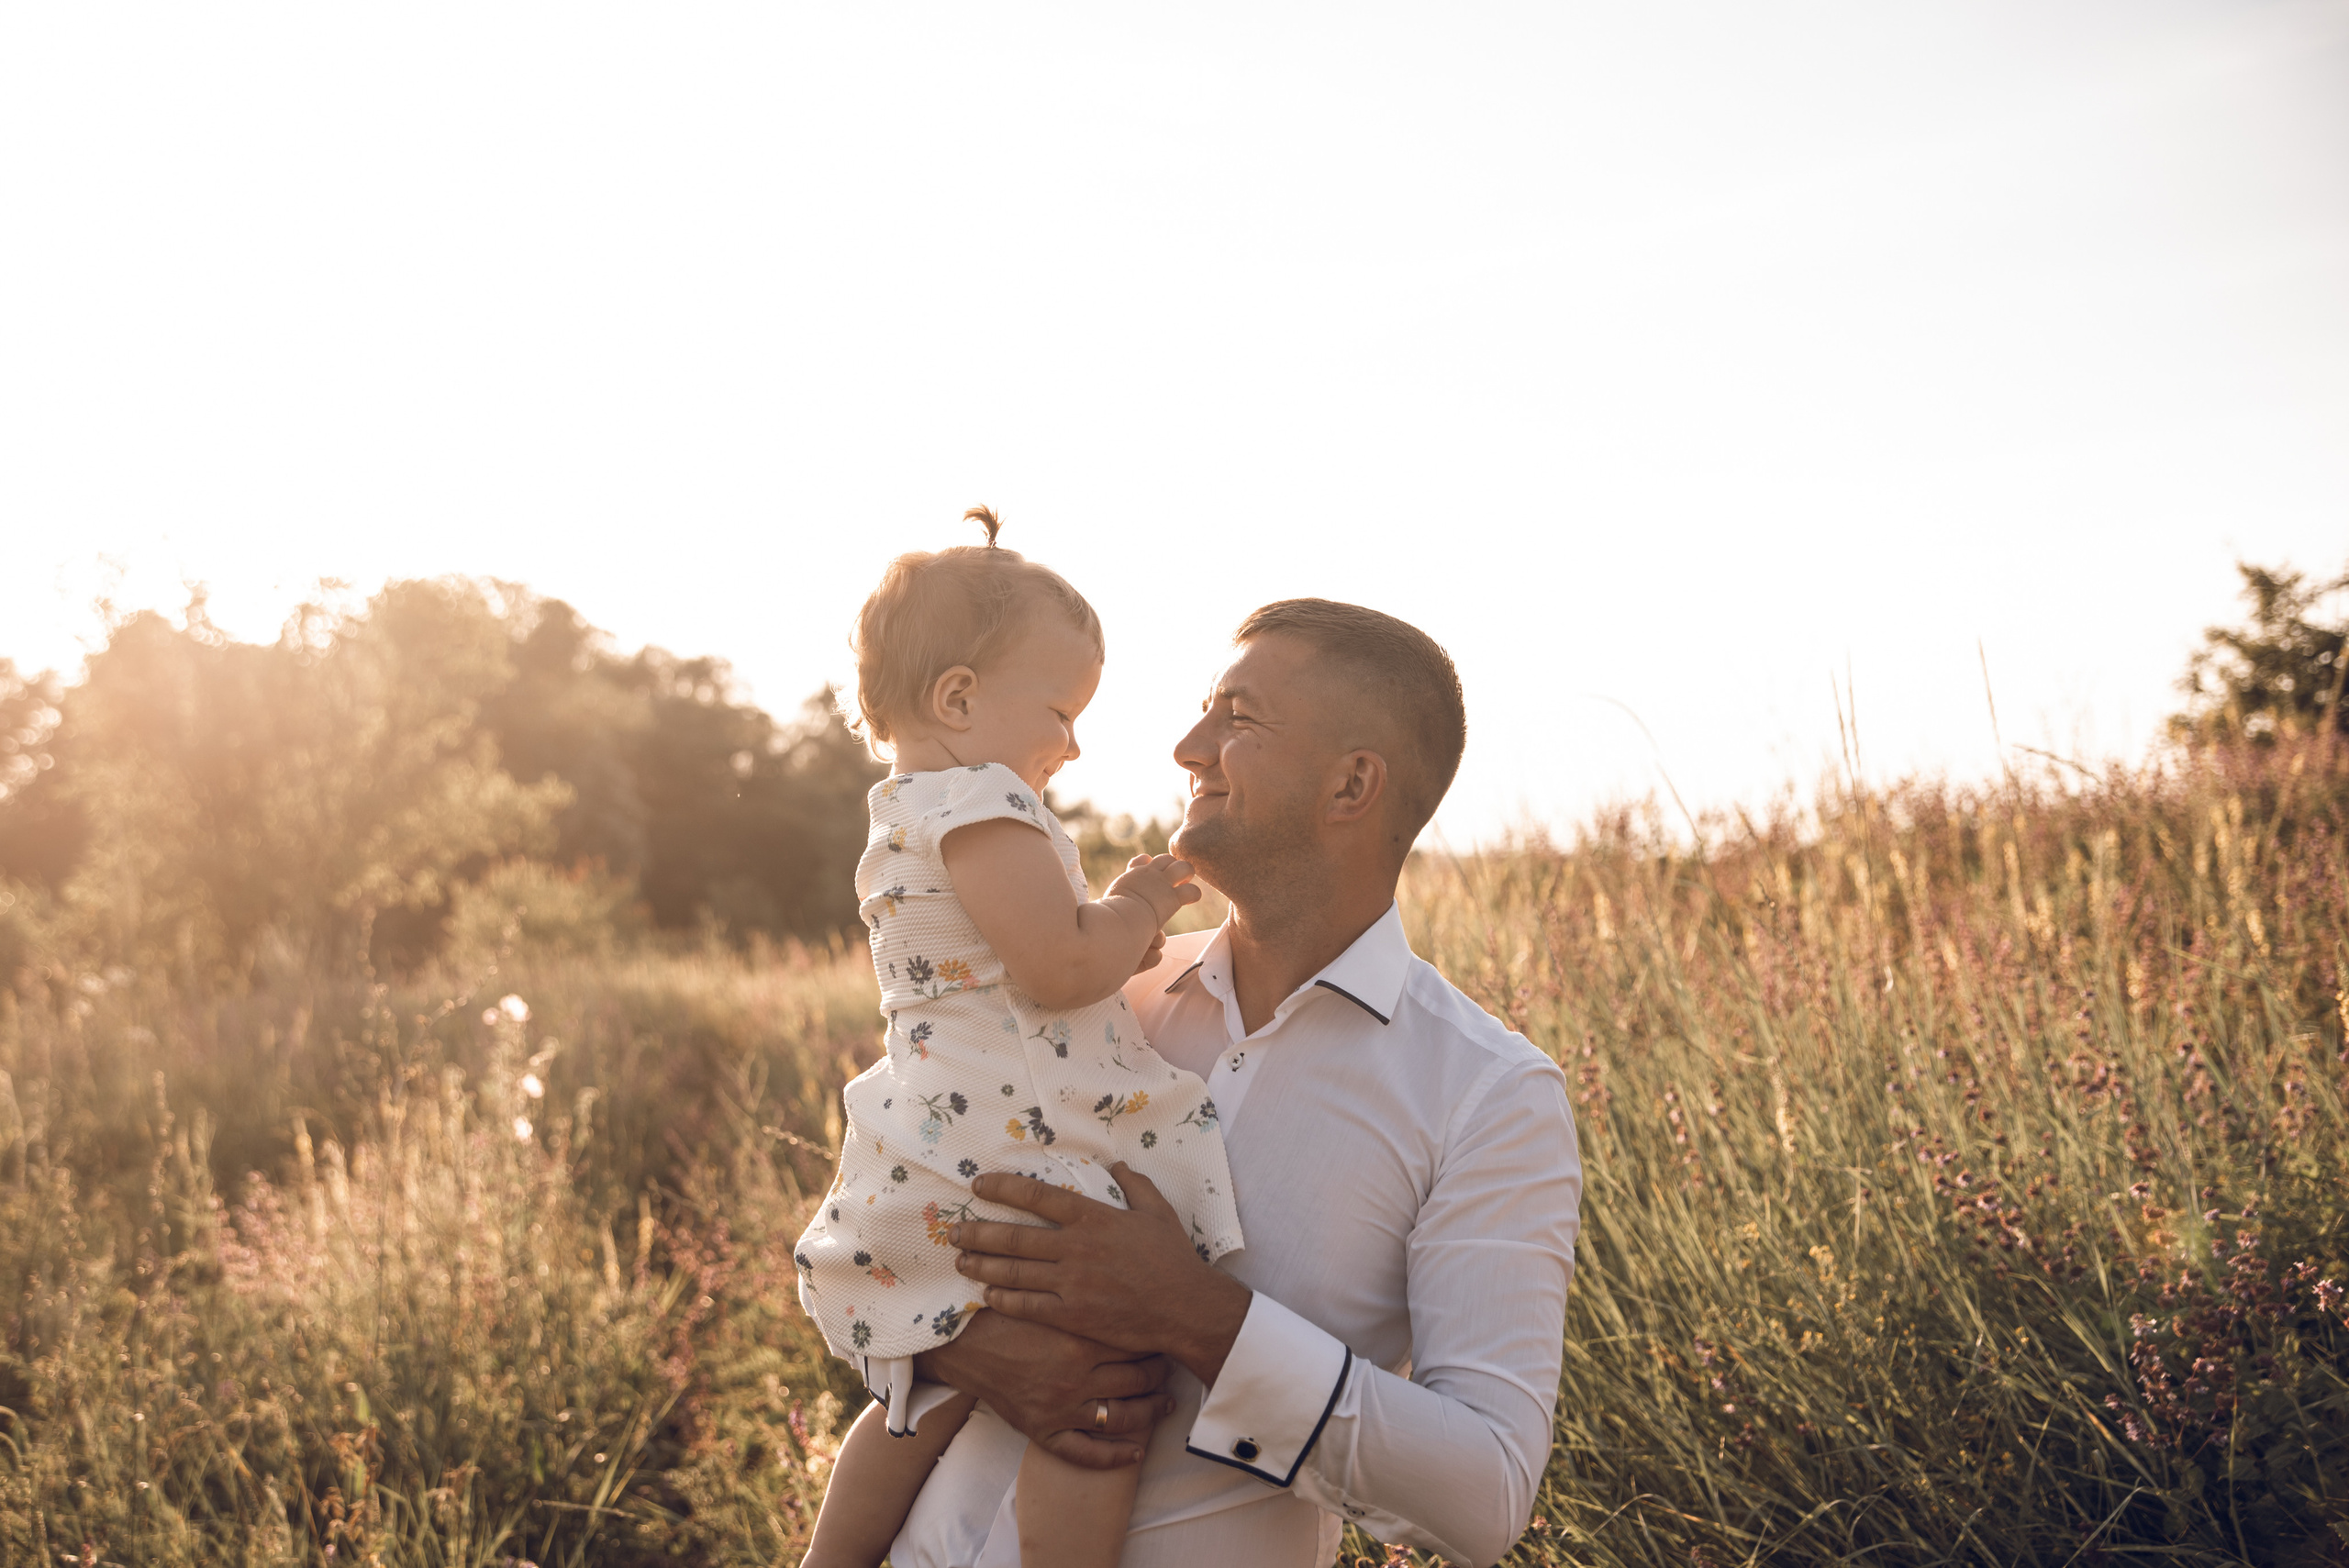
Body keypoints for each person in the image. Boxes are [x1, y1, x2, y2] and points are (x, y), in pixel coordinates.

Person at [877, 598, 1585, 1567]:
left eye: (1238, 717)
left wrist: (1194, 1315)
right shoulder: (1088, 987)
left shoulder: (1488, 1096)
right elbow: (876, 1220)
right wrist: (955, 1346)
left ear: (1352, 783)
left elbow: (1486, 1491)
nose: (1187, 747)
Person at [794, 509, 1245, 1568]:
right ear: (958, 698)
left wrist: (1100, 935)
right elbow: (1057, 968)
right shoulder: (982, 801)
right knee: (1099, 1393)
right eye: (1059, 710)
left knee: (927, 1389)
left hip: (933, 1143)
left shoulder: (904, 810)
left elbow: (1016, 959)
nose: (1073, 744)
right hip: (1020, 1143)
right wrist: (1137, 905)